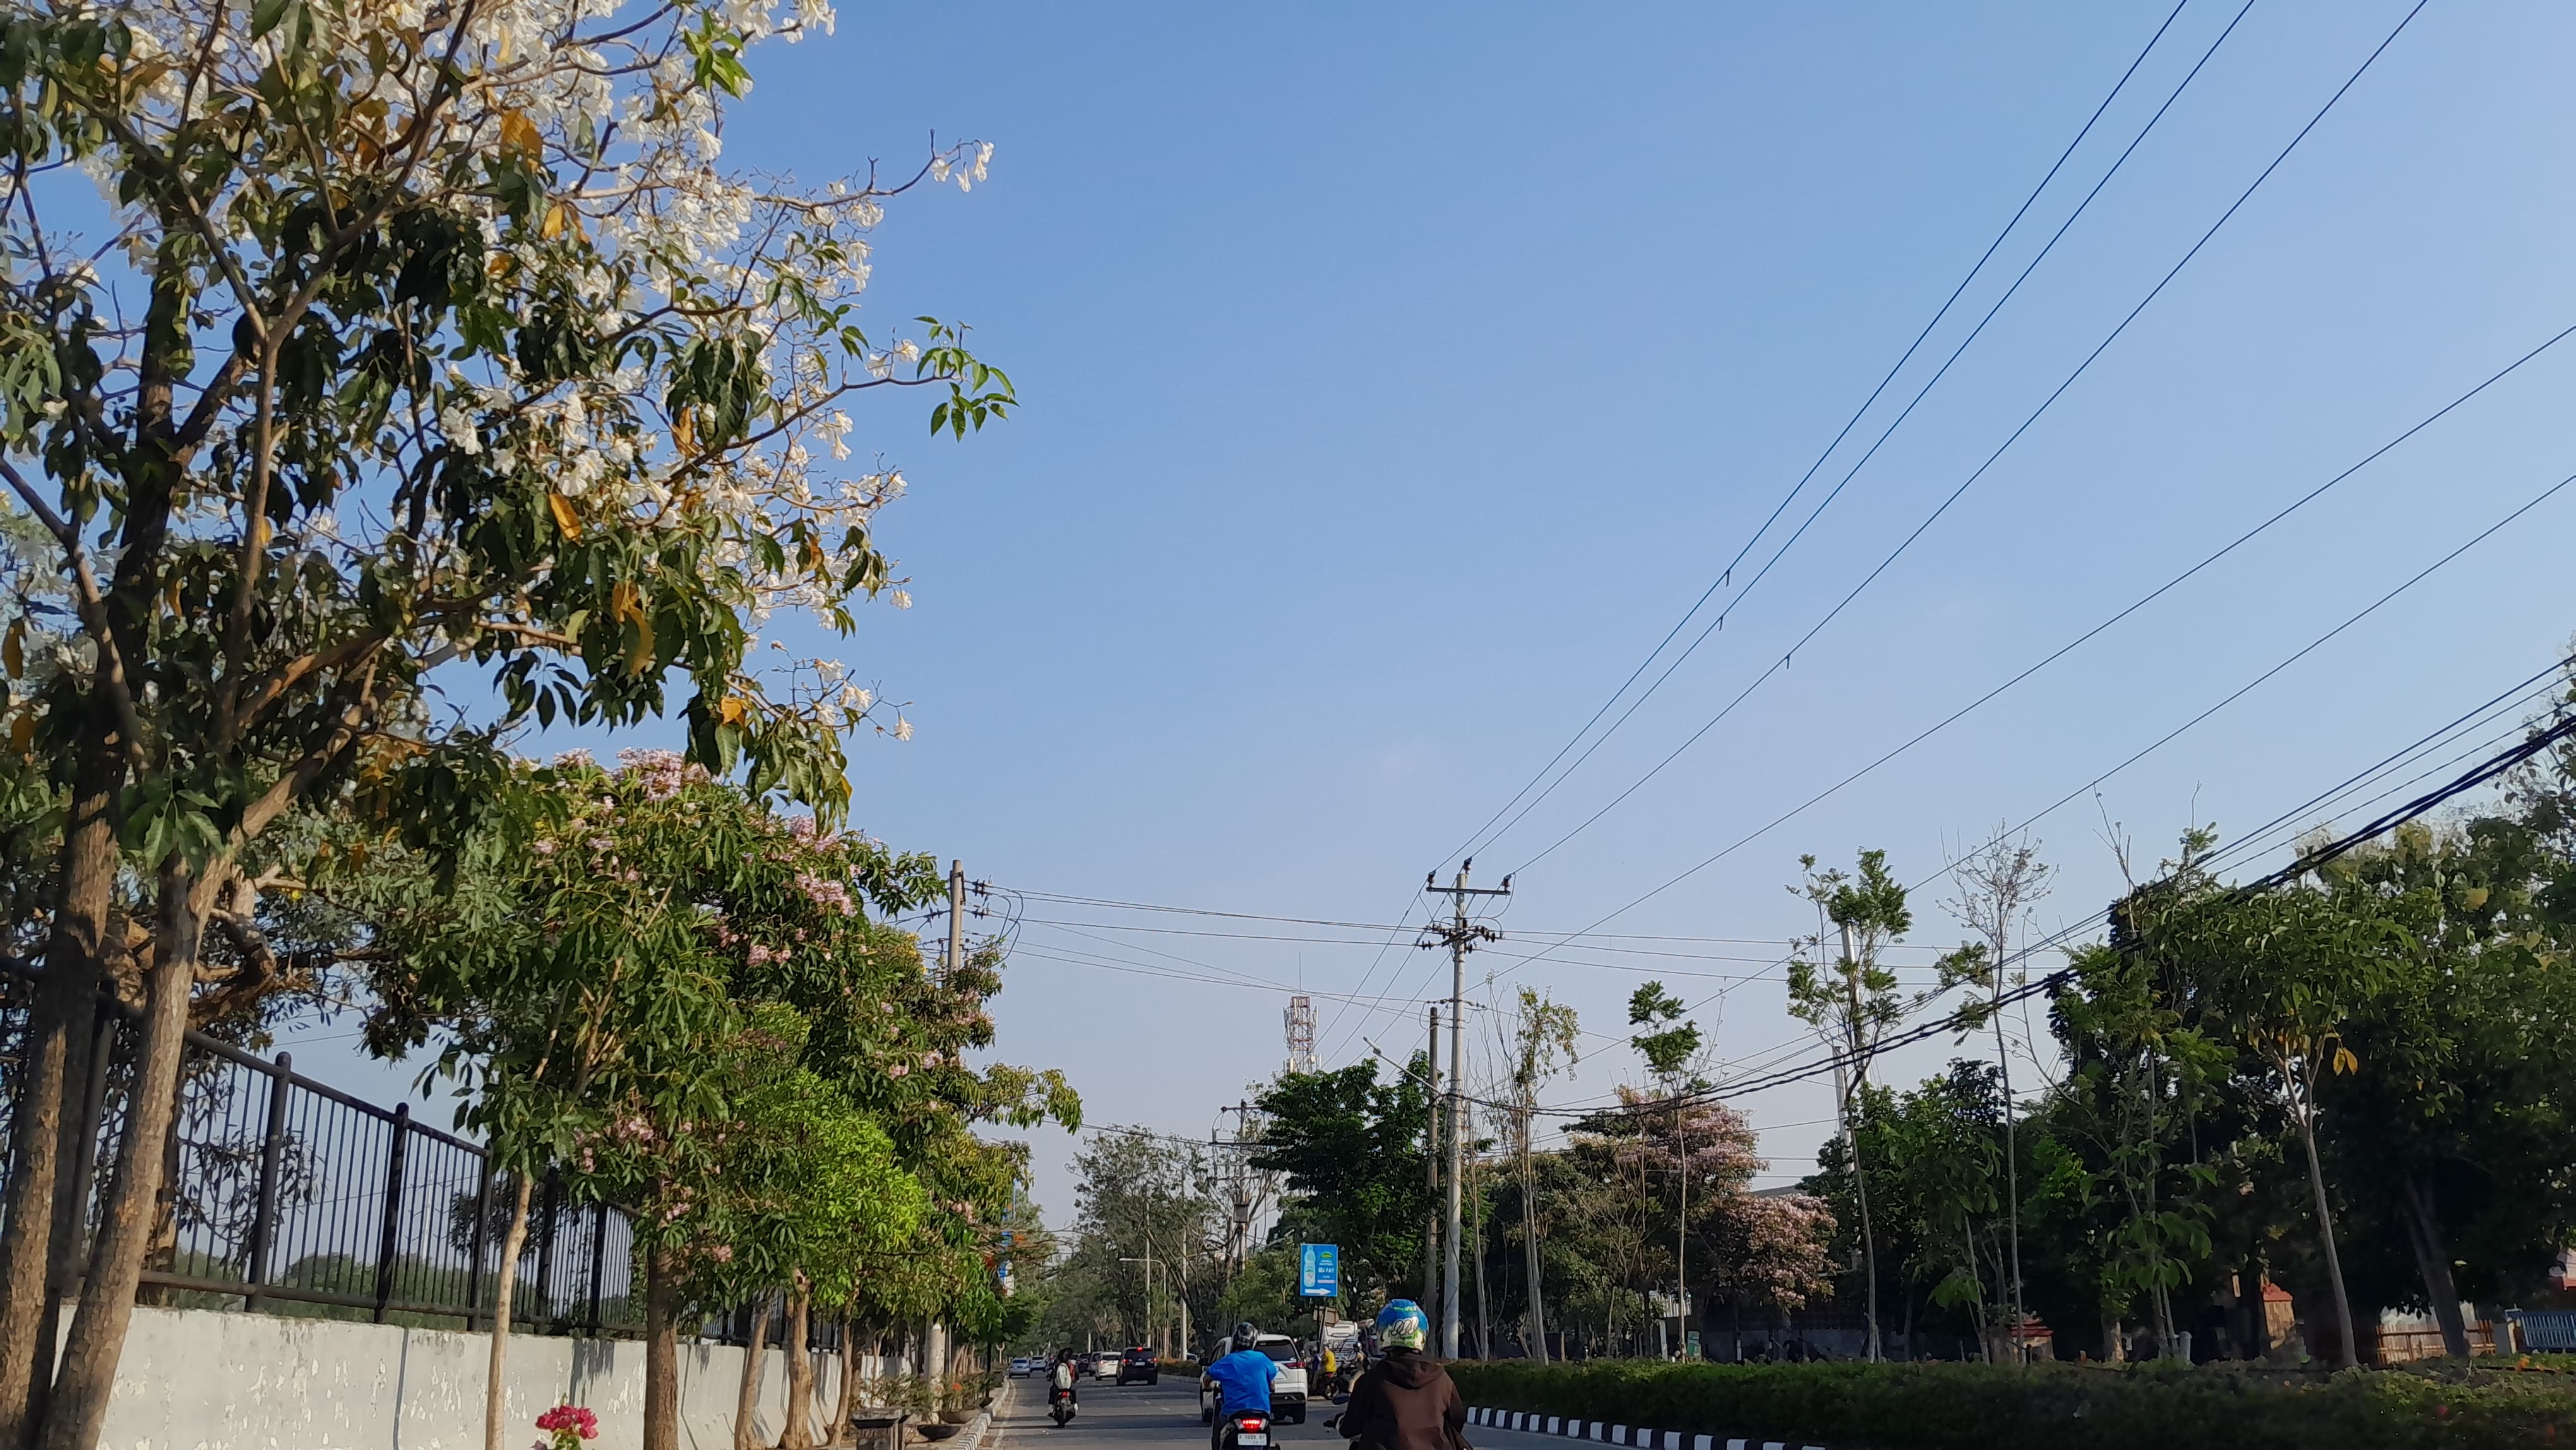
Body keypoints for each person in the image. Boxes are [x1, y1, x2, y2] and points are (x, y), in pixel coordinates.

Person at [1335, 1301, 1468, 1450]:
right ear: (1421, 1334)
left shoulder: (1373, 1380)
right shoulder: (1442, 1379)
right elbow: (1457, 1421)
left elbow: (1350, 1427)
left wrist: (1339, 1422)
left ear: (1384, 1333)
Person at [1203, 1321, 1281, 1449]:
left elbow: (1207, 1379)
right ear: (1254, 1341)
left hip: (1234, 1413)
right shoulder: (1263, 1359)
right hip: (1261, 1413)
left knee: (1219, 1424)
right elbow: (1272, 1385)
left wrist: (1207, 1386)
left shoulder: (1228, 1360)